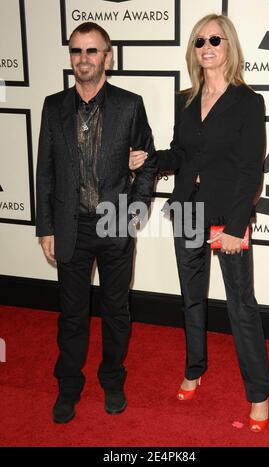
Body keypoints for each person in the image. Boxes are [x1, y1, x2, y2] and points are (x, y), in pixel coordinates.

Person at [129, 14, 269, 432]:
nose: (207, 47)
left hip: (228, 217)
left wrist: (235, 227)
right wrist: (150, 161)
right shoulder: (185, 98)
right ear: (193, 49)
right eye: (199, 41)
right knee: (192, 299)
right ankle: (194, 369)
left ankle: (258, 394)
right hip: (187, 211)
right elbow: (181, 154)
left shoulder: (249, 101)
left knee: (241, 306)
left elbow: (250, 171)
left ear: (229, 46)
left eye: (215, 39)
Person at [36, 21, 156, 423]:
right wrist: (46, 227)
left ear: (108, 56)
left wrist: (136, 210)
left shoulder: (129, 104)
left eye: (92, 51)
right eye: (76, 51)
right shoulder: (53, 106)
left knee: (116, 310)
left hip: (114, 223)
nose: (83, 58)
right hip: (70, 227)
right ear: (71, 57)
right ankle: (68, 387)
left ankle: (112, 379)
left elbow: (149, 161)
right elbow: (45, 172)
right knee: (71, 315)